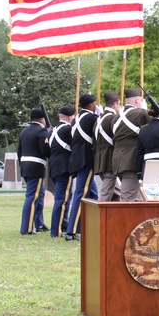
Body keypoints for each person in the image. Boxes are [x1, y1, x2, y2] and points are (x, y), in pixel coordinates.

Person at [64, 93, 99, 240]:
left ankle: (86, 227)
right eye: (95, 103)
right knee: (81, 194)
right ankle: (71, 231)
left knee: (93, 195)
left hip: (76, 159)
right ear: (91, 105)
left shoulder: (76, 119)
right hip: (86, 159)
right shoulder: (92, 118)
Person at [16, 108, 50, 235]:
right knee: (32, 197)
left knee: (39, 195)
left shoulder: (24, 131)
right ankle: (27, 228)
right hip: (36, 167)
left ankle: (39, 223)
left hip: (25, 166)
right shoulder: (42, 131)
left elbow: (19, 151)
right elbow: (44, 151)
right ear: (42, 119)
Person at [112, 88, 149, 201]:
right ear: (138, 101)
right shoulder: (140, 113)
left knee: (135, 197)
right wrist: (145, 110)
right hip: (131, 160)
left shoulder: (116, 117)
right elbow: (156, 124)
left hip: (118, 160)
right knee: (128, 199)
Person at [47, 106, 75, 239]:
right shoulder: (67, 129)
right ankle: (56, 230)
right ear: (70, 117)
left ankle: (63, 223)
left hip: (54, 167)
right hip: (64, 167)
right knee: (62, 199)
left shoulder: (52, 130)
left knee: (64, 198)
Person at [94, 90, 121, 202]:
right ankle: (100, 216)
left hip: (99, 159)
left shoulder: (98, 119)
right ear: (115, 104)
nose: (120, 106)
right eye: (119, 104)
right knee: (106, 192)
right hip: (110, 159)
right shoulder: (114, 118)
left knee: (116, 192)